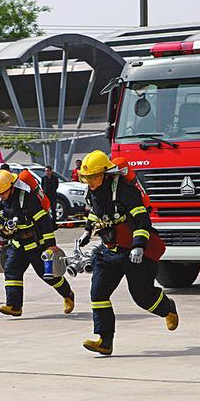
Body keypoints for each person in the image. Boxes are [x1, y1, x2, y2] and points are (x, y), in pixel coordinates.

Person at [78, 150, 178, 356]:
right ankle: (105, 341)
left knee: (142, 297)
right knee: (98, 293)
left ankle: (167, 308)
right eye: (86, 178)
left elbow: (142, 220)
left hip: (133, 251)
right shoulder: (91, 191)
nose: (90, 182)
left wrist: (139, 246)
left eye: (94, 177)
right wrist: (87, 232)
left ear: (105, 174)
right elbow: (95, 213)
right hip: (109, 251)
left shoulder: (125, 191)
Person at [0, 169, 75, 317]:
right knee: (11, 271)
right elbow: (1, 222)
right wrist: (3, 237)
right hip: (18, 245)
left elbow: (44, 221)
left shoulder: (27, 199)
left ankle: (68, 294)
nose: (2, 196)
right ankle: (14, 306)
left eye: (4, 192)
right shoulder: (1, 203)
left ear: (12, 187)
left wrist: (50, 245)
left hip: (36, 245)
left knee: (47, 275)